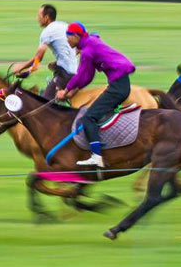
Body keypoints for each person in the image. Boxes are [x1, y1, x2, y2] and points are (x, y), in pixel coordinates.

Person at [56, 22, 136, 168]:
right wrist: (73, 90)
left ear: (75, 36)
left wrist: (66, 91)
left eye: (68, 37)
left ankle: (97, 156)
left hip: (118, 87)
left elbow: (81, 75)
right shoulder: (90, 44)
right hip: (120, 84)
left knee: (88, 118)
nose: (67, 41)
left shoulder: (87, 51)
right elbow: (87, 76)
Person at [14, 4, 78, 99]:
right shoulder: (64, 25)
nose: (37, 19)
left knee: (44, 102)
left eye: (39, 16)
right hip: (76, 70)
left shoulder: (47, 32)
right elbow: (77, 49)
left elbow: (38, 59)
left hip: (66, 73)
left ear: (46, 17)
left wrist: (22, 69)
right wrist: (59, 62)